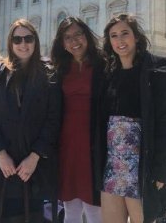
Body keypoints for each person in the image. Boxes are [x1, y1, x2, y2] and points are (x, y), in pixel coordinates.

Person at [0, 19, 61, 221]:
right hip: (2, 167)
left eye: (28, 38)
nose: (23, 44)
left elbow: (53, 120)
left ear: (35, 41)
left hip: (33, 169)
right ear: (10, 43)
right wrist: (0, 154)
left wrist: (34, 157)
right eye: (17, 39)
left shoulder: (49, 73)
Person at [97, 14, 166, 223]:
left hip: (142, 164)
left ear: (136, 37)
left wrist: (160, 169)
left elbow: (163, 121)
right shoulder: (107, 73)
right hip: (113, 164)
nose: (120, 41)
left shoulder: (157, 67)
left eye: (125, 33)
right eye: (114, 36)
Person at [51, 16, 104, 223]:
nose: (74, 41)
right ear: (62, 43)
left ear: (87, 35)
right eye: (67, 37)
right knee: (70, 206)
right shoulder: (58, 69)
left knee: (94, 208)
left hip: (94, 144)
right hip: (67, 144)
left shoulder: (102, 64)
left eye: (78, 34)